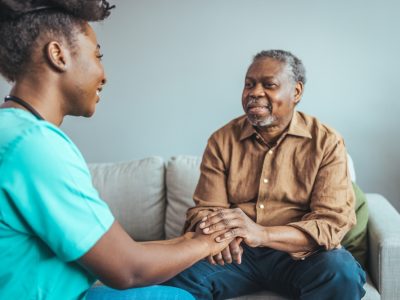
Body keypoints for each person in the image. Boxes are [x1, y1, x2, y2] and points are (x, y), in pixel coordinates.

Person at [0, 1, 233, 299]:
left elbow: (117, 251)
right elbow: (127, 268)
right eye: (97, 55)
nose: (104, 74)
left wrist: (192, 239)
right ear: (58, 55)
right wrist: (208, 243)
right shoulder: (34, 146)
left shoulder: (13, 130)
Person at [163, 50, 366, 299]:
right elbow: (206, 209)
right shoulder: (222, 140)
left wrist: (262, 234)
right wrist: (222, 236)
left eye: (268, 85)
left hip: (300, 256)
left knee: (341, 272)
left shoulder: (326, 142)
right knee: (173, 274)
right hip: (238, 254)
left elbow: (330, 224)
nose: (254, 92)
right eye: (249, 84)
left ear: (297, 92)